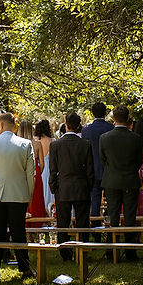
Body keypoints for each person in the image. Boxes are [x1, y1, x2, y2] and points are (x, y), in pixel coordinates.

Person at [0, 112, 36, 281]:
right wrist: (29, 195)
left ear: (0, 126)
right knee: (19, 232)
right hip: (18, 194)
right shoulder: (26, 144)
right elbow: (30, 174)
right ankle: (24, 268)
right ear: (13, 125)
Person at [99, 105, 143, 260]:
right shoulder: (136, 138)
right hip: (130, 179)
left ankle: (112, 250)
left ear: (113, 118)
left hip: (111, 180)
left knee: (113, 216)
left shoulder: (104, 138)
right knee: (130, 216)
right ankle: (130, 251)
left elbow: (103, 160)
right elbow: (139, 160)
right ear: (127, 119)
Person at [48, 112, 93, 261]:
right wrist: (89, 186)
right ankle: (83, 250)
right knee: (82, 222)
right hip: (81, 186)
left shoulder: (55, 145)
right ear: (79, 126)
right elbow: (90, 170)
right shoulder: (85, 144)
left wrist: (53, 187)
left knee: (63, 221)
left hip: (63, 187)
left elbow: (53, 170)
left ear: (66, 125)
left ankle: (65, 252)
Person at [81, 102, 114, 234]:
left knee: (94, 202)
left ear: (92, 113)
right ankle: (110, 228)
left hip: (92, 170)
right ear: (105, 113)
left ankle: (95, 231)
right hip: (108, 170)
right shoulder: (111, 128)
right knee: (111, 202)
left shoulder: (86, 130)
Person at [19, 120, 46, 219]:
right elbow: (42, 164)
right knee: (36, 199)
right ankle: (38, 224)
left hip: (22, 172)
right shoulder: (37, 144)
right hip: (35, 172)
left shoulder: (17, 144)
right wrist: (38, 172)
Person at [35, 119, 56, 216]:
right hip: (51, 168)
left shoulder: (36, 142)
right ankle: (51, 213)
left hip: (40, 168)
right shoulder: (53, 141)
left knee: (41, 192)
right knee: (50, 192)